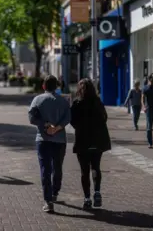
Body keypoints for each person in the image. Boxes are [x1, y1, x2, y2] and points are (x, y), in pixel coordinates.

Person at [28, 75, 71, 213]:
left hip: (43, 139)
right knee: (57, 168)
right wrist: (57, 128)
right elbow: (68, 118)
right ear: (57, 86)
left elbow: (31, 118)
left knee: (45, 170)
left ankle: (48, 201)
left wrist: (45, 125)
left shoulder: (37, 99)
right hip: (59, 140)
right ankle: (55, 192)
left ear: (43, 86)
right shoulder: (63, 101)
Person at [70, 78, 111, 209]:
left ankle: (87, 198)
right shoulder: (97, 102)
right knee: (96, 167)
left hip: (83, 140)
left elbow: (72, 121)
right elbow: (105, 117)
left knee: (84, 171)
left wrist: (80, 127)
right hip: (97, 140)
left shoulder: (77, 103)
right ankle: (97, 192)